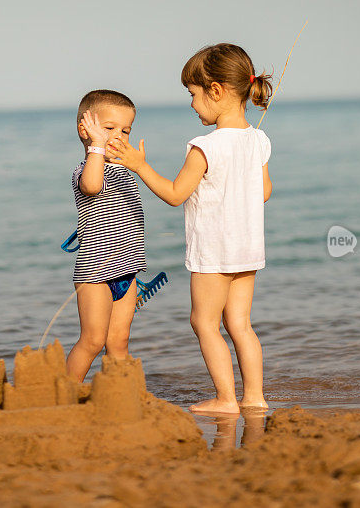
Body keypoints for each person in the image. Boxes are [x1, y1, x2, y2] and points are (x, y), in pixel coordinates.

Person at [107, 44, 273, 414]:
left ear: (215, 90)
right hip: (248, 251)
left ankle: (227, 400)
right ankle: (255, 397)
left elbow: (175, 194)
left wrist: (138, 165)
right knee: (241, 325)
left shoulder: (203, 147)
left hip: (214, 253)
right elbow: (264, 192)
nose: (193, 104)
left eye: (193, 95)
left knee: (204, 322)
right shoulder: (259, 140)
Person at [65, 90, 147, 382]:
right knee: (92, 340)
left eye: (126, 130)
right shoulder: (85, 170)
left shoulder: (123, 170)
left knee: (119, 342)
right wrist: (97, 147)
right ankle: (65, 391)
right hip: (95, 273)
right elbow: (91, 186)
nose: (119, 136)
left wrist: (138, 164)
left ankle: (121, 395)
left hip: (127, 270)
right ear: (85, 129)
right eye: (109, 128)